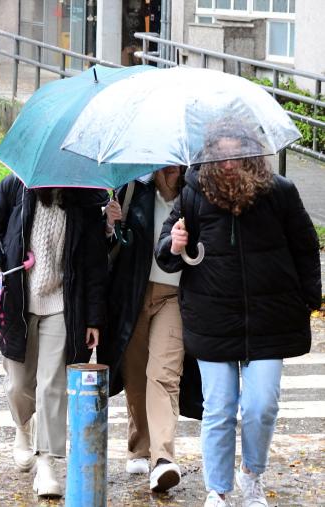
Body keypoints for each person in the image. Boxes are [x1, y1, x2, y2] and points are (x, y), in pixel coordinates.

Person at [156, 138, 321, 507]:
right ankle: (218, 489)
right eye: (220, 155)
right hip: (212, 317)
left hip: (269, 320)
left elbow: (306, 246)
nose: (228, 163)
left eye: (236, 155)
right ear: (209, 156)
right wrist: (174, 243)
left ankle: (251, 474)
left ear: (250, 154)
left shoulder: (278, 191)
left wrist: (310, 299)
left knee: (262, 406)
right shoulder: (193, 194)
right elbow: (167, 252)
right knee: (219, 409)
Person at [0, 176, 107, 498]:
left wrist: (94, 318)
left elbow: (94, 264)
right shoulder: (14, 188)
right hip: (18, 301)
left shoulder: (85, 200)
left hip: (63, 306)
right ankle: (22, 427)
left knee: (52, 386)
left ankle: (46, 462)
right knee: (18, 385)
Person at [102, 166, 197, 494]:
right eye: (164, 161)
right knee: (136, 374)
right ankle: (139, 444)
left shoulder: (195, 194)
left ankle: (163, 459)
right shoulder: (133, 190)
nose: (172, 167)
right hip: (134, 292)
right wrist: (111, 224)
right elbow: (114, 244)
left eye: (178, 161)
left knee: (163, 375)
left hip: (175, 297)